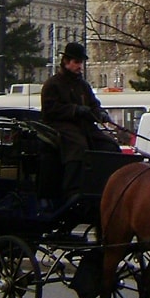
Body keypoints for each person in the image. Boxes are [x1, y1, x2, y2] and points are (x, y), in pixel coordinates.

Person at [40, 42, 120, 199]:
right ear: (66, 62)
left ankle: (106, 185)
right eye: (76, 62)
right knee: (78, 147)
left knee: (110, 145)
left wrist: (100, 113)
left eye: (81, 62)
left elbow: (93, 104)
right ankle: (73, 190)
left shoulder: (83, 85)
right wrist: (75, 110)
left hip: (84, 126)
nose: (80, 66)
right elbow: (51, 109)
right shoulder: (53, 84)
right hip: (61, 126)